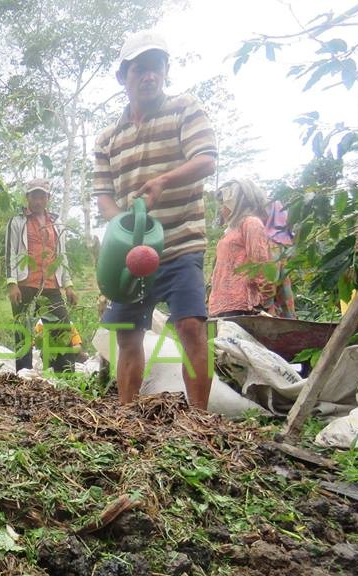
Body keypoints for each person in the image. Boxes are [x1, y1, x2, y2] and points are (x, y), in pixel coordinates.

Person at [94, 31, 217, 409]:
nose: (149, 76)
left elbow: (206, 159)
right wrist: (125, 233)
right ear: (123, 77)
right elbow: (104, 198)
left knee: (191, 328)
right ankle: (126, 418)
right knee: (128, 336)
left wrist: (163, 181)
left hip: (180, 243)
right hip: (133, 256)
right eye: (139, 70)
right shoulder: (108, 139)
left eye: (156, 69)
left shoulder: (185, 109)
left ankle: (199, 422)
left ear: (165, 73)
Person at [5, 178, 77, 373]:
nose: (38, 201)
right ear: (27, 198)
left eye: (42, 196)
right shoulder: (17, 221)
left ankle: (65, 374)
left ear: (48, 198)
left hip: (51, 285)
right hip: (24, 284)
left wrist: (68, 284)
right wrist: (12, 284)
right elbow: (10, 252)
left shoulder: (57, 223)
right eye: (34, 196)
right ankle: (23, 376)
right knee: (23, 332)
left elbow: (61, 255)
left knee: (61, 327)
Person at [208, 179, 276, 318]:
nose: (222, 209)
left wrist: (266, 301)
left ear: (236, 203)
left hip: (241, 305)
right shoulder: (230, 230)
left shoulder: (251, 223)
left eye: (224, 204)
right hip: (220, 304)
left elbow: (260, 262)